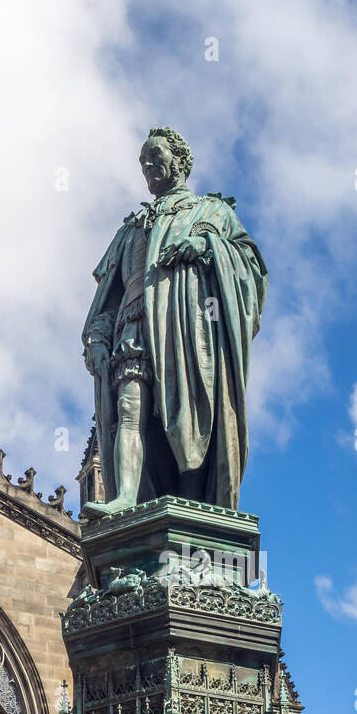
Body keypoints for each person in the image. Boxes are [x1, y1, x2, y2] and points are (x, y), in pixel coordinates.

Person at [82, 127, 267, 516]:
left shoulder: (212, 212)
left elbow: (250, 266)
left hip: (185, 331)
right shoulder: (130, 228)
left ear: (180, 162)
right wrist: (97, 336)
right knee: (129, 410)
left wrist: (206, 246)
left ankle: (194, 508)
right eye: (142, 161)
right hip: (132, 325)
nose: (148, 166)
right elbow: (108, 298)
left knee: (188, 420)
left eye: (155, 156)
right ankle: (126, 499)